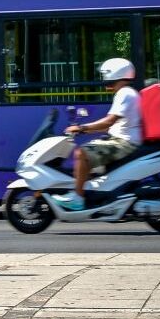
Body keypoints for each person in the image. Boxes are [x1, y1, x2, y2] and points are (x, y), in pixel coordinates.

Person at [52, 58, 143, 211]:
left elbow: (109, 121)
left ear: (114, 74)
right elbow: (110, 126)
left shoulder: (125, 93)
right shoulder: (127, 93)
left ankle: (77, 198)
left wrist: (81, 128)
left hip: (124, 142)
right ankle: (94, 196)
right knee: (87, 157)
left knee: (82, 153)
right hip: (123, 139)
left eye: (105, 75)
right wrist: (84, 130)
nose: (104, 79)